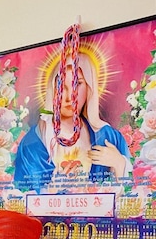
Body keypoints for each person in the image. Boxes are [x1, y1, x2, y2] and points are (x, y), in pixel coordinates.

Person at [14, 52, 132, 192]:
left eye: (78, 84)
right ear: (52, 88)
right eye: (61, 85)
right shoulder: (33, 143)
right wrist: (52, 189)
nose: (70, 96)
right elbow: (19, 197)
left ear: (89, 87)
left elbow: (136, 194)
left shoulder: (108, 137)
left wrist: (119, 164)